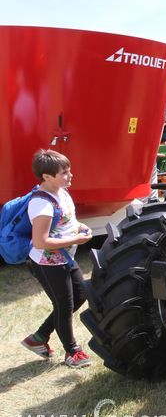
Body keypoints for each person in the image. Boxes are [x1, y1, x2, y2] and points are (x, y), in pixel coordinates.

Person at [20, 149, 93, 368]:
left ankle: (38, 338)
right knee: (64, 305)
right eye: (64, 172)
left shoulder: (61, 192)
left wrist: (81, 228)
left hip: (64, 259)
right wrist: (76, 241)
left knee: (80, 295)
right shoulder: (41, 204)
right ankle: (73, 352)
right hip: (47, 263)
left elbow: (68, 222)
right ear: (46, 177)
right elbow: (41, 242)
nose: (70, 176)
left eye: (69, 170)